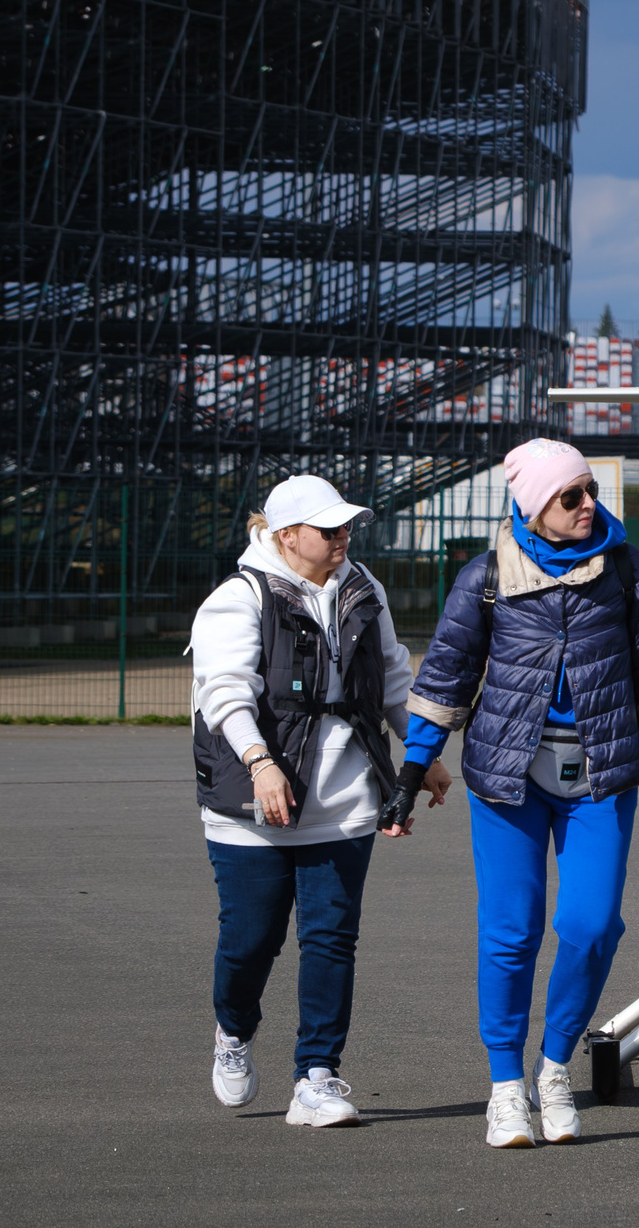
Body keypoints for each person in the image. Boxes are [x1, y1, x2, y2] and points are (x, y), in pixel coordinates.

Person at [385, 439, 639, 1150]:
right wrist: (410, 774)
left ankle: (554, 1068)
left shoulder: (625, 567)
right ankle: (505, 1086)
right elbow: (443, 679)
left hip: (602, 774)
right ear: (533, 507)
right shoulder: (488, 574)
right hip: (507, 776)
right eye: (572, 495)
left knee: (589, 926)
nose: (590, 505)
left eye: (589, 489)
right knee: (510, 932)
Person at [190, 473, 451, 1128]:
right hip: (253, 803)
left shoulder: (364, 589)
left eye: (346, 527)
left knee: (332, 937)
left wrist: (422, 755)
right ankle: (233, 1029)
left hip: (346, 796)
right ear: (285, 535)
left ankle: (317, 1075)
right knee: (251, 939)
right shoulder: (240, 597)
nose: (343, 538)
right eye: (329, 528)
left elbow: (393, 676)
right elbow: (224, 692)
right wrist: (261, 764)